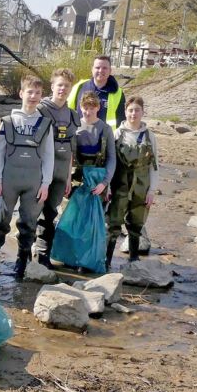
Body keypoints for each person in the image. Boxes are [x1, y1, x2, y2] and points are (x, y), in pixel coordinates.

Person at [0, 75, 54, 279]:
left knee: (28, 222)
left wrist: (46, 183)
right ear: (21, 93)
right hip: (8, 180)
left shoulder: (45, 124)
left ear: (41, 96)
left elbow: (49, 154)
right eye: (30, 92)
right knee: (0, 220)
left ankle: (21, 261)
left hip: (34, 182)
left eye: (38, 93)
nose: (33, 96)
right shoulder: (8, 121)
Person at [34, 68, 80, 269]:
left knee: (51, 212)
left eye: (67, 86)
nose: (62, 89)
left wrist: (69, 176)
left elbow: (71, 147)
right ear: (52, 86)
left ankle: (44, 254)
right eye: (59, 85)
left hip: (61, 171)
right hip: (41, 170)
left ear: (70, 89)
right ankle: (26, 253)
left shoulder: (71, 115)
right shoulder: (41, 110)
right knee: (33, 211)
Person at [106, 96, 159, 270]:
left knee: (136, 223)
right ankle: (106, 260)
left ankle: (134, 259)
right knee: (113, 223)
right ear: (125, 112)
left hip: (141, 187)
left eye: (137, 110)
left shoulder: (150, 136)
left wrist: (152, 190)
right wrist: (107, 187)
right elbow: (110, 162)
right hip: (119, 185)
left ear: (143, 112)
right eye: (130, 110)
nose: (133, 114)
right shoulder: (117, 133)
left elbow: (155, 165)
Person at [72, 91, 116, 195]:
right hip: (76, 180)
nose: (88, 112)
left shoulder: (106, 129)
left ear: (98, 108)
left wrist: (104, 183)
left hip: (98, 182)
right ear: (80, 107)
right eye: (85, 108)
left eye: (92, 108)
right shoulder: (74, 127)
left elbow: (112, 158)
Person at [68, 55, 125, 130]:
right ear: (92, 69)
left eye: (104, 68)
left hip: (105, 138)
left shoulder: (118, 93)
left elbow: (121, 120)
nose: (101, 70)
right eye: (97, 67)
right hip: (80, 136)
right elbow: (68, 111)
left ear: (110, 71)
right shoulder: (79, 87)